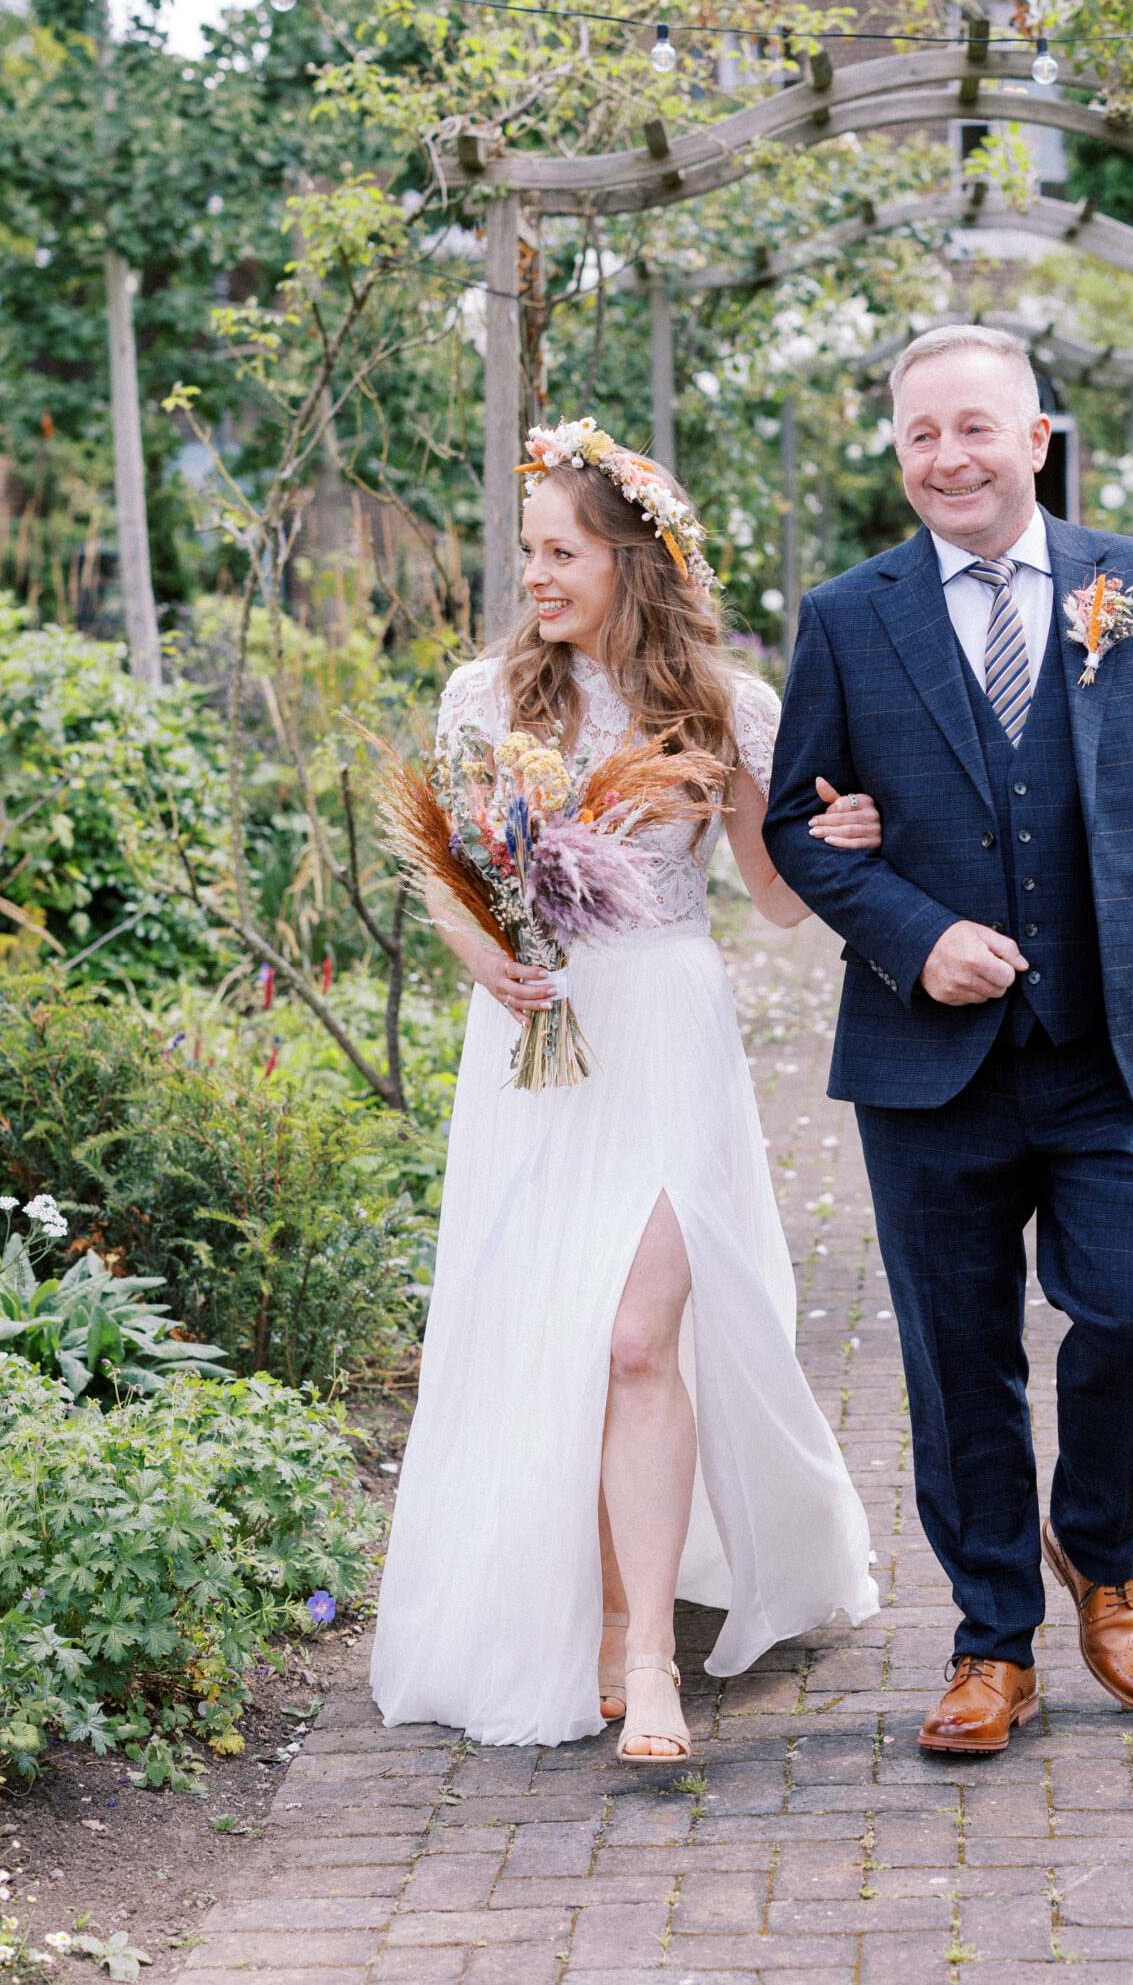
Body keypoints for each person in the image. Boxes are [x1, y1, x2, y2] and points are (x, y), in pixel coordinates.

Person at [764, 327, 1133, 1757]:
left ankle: (1100, 1555)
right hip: (928, 1064)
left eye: (976, 429)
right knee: (957, 1357)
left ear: (1037, 437)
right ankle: (993, 1641)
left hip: (1117, 1043)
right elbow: (797, 821)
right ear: (899, 450)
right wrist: (909, 932)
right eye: (922, 434)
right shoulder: (850, 617)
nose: (950, 459)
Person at [371, 420, 880, 1763]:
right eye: (527, 550)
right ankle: (585, 1609)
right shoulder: (490, 698)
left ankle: (645, 1650)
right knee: (556, 1326)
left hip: (663, 1022)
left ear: (634, 561)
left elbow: (773, 905)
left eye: (561, 551)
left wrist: (836, 839)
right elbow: (449, 874)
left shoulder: (725, 704)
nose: (535, 574)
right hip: (539, 1040)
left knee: (639, 1336)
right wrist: (490, 958)